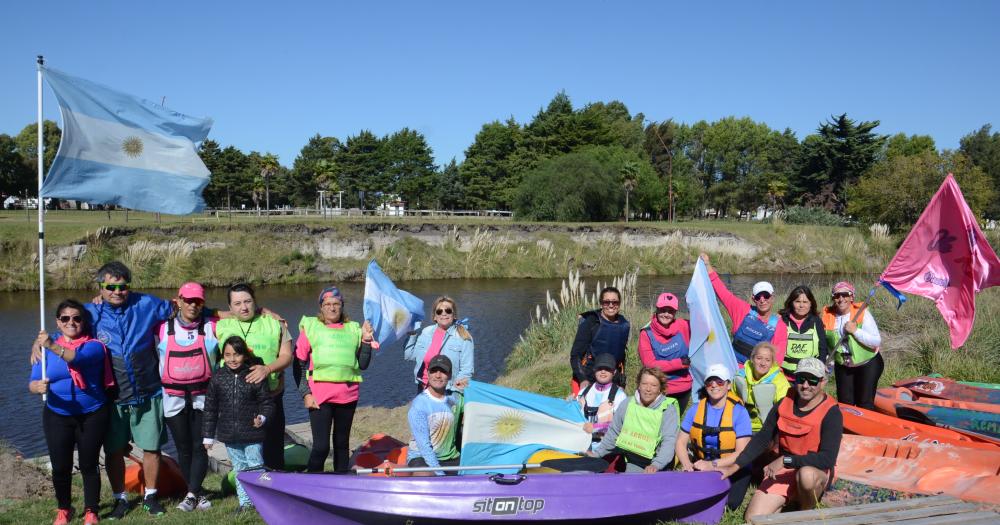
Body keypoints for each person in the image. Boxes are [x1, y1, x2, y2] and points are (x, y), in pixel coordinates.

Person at [85, 261, 176, 518]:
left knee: (152, 448)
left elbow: (186, 308)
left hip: (148, 393)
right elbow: (65, 330)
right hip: (112, 397)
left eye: (122, 286)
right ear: (100, 287)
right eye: (110, 286)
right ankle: (120, 499)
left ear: (129, 286)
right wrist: (40, 343)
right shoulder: (90, 313)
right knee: (114, 450)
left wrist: (251, 311)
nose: (116, 291)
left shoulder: (146, 304)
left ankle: (151, 497)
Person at [718, 358, 842, 520]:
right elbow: (762, 438)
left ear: (823, 382)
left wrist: (785, 460)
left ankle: (804, 512)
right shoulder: (784, 402)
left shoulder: (832, 413)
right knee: (753, 519)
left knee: (806, 476)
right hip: (785, 470)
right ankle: (789, 500)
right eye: (800, 379)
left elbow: (827, 458)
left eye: (812, 381)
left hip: (813, 469)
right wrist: (733, 468)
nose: (805, 385)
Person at [29, 300, 112, 525]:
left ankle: (91, 511)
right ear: (58, 322)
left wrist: (50, 345)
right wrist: (36, 387)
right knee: (60, 467)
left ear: (83, 322)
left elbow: (78, 359)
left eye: (76, 318)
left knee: (88, 464)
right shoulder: (43, 351)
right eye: (65, 318)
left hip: (92, 414)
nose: (71, 322)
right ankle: (64, 509)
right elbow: (32, 381)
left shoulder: (94, 346)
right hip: (57, 415)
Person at [296, 286, 375, 473]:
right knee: (321, 447)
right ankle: (311, 484)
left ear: (342, 306)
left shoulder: (354, 329)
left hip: (347, 396)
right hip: (319, 397)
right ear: (321, 307)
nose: (332, 308)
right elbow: (298, 365)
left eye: (336, 304)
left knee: (341, 445)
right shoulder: (311, 327)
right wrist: (305, 394)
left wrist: (365, 340)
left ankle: (341, 483)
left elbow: (363, 364)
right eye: (328, 304)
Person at [214, 283, 293, 470]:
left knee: (273, 448)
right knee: (245, 451)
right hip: (236, 401)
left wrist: (267, 369)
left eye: (248, 301)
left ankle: (275, 490)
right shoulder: (219, 326)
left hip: (269, 396)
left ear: (255, 302)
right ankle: (248, 493)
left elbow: (287, 356)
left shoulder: (275, 323)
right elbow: (196, 312)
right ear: (230, 307)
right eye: (238, 303)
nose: (244, 307)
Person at [156, 282, 218, 512]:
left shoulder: (212, 325)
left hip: (203, 396)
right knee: (183, 447)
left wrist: (265, 311)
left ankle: (191, 494)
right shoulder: (161, 328)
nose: (193, 304)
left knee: (200, 446)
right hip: (173, 397)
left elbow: (239, 317)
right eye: (188, 300)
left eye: (198, 301)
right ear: (178, 301)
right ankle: (197, 493)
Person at [203, 336, 274, 516]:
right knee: (240, 470)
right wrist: (208, 436)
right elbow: (210, 408)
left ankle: (263, 502)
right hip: (229, 435)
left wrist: (262, 417)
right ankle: (245, 503)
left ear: (244, 355)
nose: (232, 359)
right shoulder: (217, 378)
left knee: (256, 467)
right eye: (227, 355)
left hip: (252, 433)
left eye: (236, 354)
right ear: (222, 356)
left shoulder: (254, 375)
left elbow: (267, 403)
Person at [676, 364, 752, 510]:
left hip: (734, 465)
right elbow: (680, 441)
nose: (714, 385)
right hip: (703, 463)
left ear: (728, 385)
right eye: (710, 382)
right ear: (705, 386)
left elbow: (741, 452)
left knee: (730, 505)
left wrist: (713, 465)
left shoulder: (739, 412)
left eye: (720, 382)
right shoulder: (695, 409)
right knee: (690, 498)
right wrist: (687, 465)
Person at [699, 254, 788, 367]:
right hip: (732, 368)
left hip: (757, 375)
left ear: (772, 297)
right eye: (758, 297)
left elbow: (777, 361)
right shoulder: (742, 309)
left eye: (766, 296)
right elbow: (722, 292)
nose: (762, 300)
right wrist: (707, 265)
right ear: (753, 299)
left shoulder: (779, 326)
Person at [588, 367, 679, 473]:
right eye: (644, 384)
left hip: (658, 465)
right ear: (639, 385)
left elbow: (669, 441)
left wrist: (656, 465)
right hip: (633, 462)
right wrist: (596, 454)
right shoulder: (627, 404)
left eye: (653, 385)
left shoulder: (668, 409)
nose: (648, 389)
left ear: (660, 389)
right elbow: (613, 433)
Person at [822, 281, 883, 410]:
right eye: (837, 295)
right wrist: (828, 366)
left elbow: (876, 341)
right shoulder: (827, 316)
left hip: (868, 363)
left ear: (852, 297)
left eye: (845, 294)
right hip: (844, 366)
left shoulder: (862, 313)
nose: (841, 298)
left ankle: (866, 429)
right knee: (845, 404)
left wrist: (856, 331)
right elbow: (829, 345)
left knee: (864, 403)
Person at [406, 355, 468, 476]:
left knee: (477, 473)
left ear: (450, 375)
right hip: (422, 457)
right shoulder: (419, 405)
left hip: (451, 457)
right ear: (428, 374)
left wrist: (469, 388)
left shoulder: (456, 398)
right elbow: (424, 447)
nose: (438, 375)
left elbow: (479, 404)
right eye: (434, 371)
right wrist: (440, 475)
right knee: (424, 476)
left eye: (443, 371)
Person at [404, 296, 474, 391]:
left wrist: (454, 391)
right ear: (434, 316)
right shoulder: (426, 332)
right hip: (423, 389)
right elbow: (409, 356)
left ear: (454, 315)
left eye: (448, 310)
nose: (444, 313)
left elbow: (466, 371)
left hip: (448, 392)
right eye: (439, 311)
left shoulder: (464, 337)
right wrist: (412, 335)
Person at [637, 292, 692, 412]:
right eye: (663, 309)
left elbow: (704, 324)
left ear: (675, 312)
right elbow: (650, 364)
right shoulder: (646, 333)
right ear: (657, 309)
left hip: (683, 388)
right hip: (659, 390)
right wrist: (679, 363)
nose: (666, 314)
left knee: (674, 425)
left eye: (670, 311)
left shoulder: (683, 325)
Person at [570, 286, 630, 396]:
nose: (611, 305)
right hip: (587, 377)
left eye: (614, 302)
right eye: (607, 302)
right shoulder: (591, 322)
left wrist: (621, 382)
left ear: (619, 303)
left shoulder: (624, 324)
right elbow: (575, 355)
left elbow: (621, 358)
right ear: (601, 304)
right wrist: (582, 379)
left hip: (611, 378)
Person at [734, 342, 791, 433]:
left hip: (766, 430)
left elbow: (786, 408)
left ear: (772, 363)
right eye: (759, 358)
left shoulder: (779, 381)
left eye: (768, 360)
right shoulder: (740, 376)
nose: (763, 363)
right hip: (741, 426)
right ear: (752, 359)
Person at [576, 353, 627, 450]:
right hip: (582, 447)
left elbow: (622, 426)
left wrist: (596, 427)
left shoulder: (620, 396)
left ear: (614, 372)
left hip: (607, 449)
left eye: (607, 369)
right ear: (594, 370)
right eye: (599, 368)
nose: (603, 371)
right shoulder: (583, 392)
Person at [779, 286, 829, 379]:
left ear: (811, 304)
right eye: (797, 301)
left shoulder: (816, 321)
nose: (801, 305)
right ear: (791, 303)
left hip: (809, 375)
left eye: (805, 302)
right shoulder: (782, 320)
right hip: (784, 375)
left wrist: (821, 367)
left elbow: (822, 348)